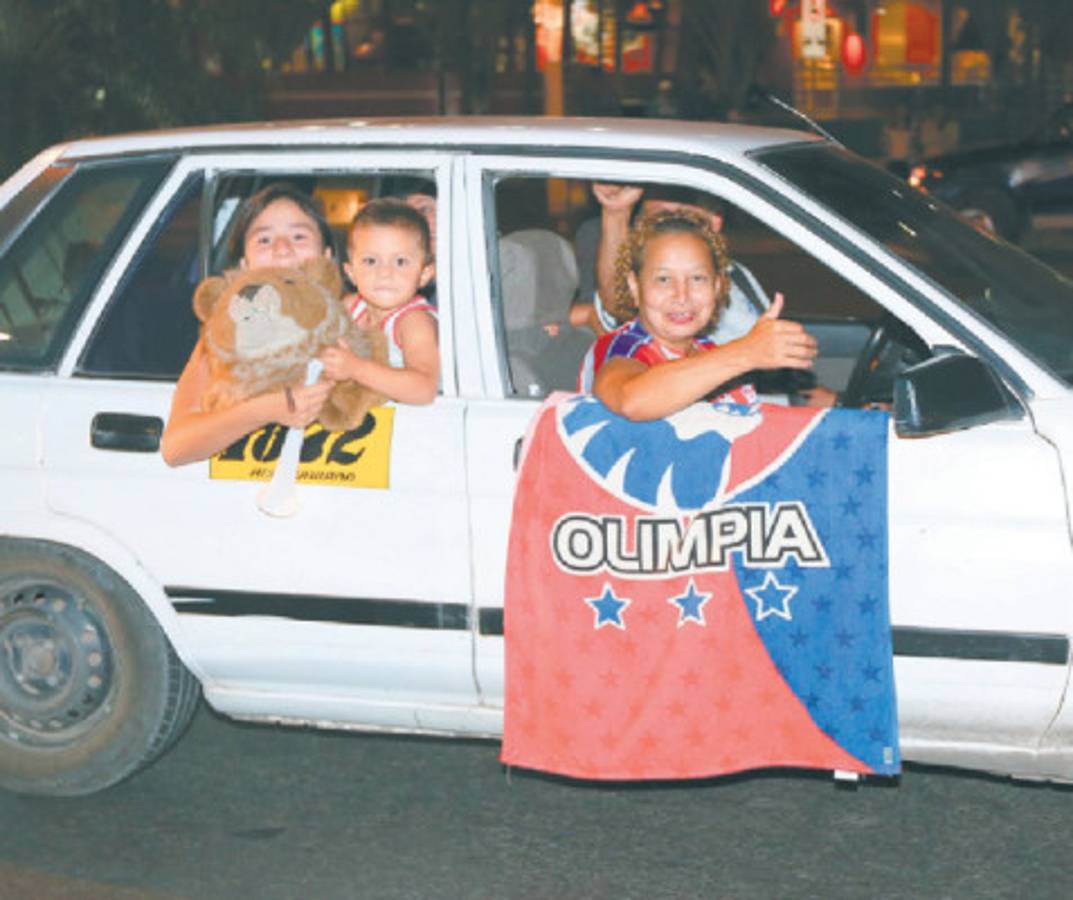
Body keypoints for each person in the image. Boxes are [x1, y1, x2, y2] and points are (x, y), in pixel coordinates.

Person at [574, 182, 836, 406]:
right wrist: (746, 353)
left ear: (719, 287)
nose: (682, 295)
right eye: (663, 279)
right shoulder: (621, 349)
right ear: (634, 286)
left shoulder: (706, 352)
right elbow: (630, 399)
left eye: (698, 279)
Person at [161, 183, 338, 467]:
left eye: (299, 236)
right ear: (245, 265)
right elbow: (176, 447)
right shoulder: (226, 335)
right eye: (264, 240)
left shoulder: (357, 318)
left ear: (327, 255)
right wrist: (267, 409)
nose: (282, 250)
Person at [318, 198, 439, 405]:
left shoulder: (414, 322)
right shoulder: (351, 307)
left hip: (411, 427)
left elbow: (425, 389)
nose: (384, 273)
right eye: (371, 261)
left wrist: (356, 369)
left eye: (400, 261)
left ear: (425, 273)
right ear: (351, 272)